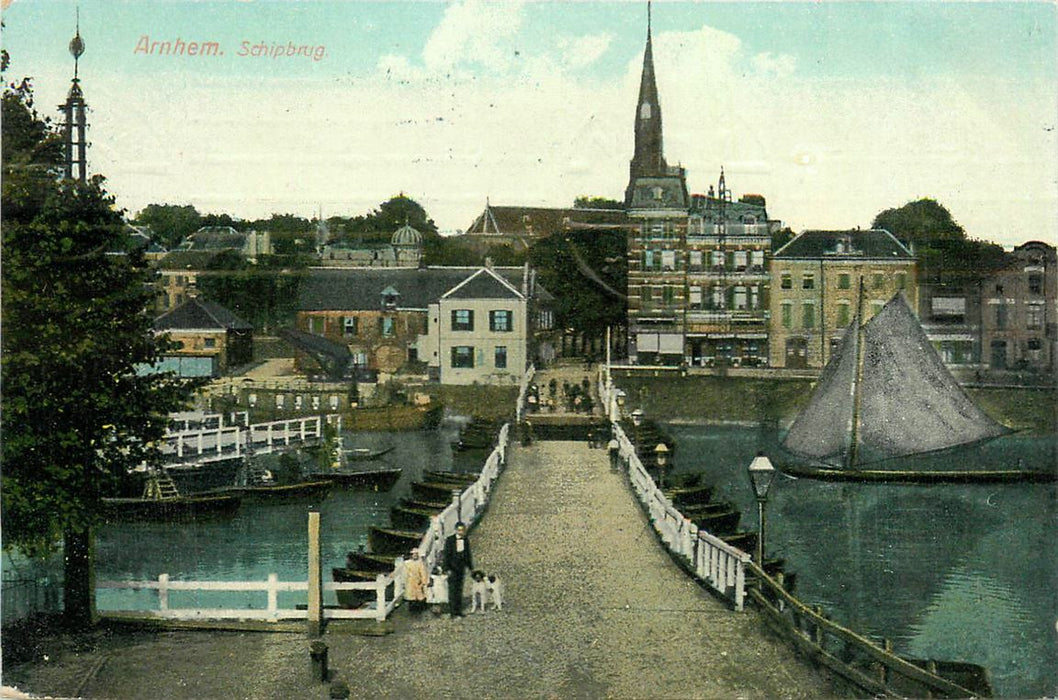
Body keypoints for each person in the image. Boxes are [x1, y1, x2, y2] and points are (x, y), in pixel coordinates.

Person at [443, 522, 473, 617]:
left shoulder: (465, 539)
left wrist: (470, 567)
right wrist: (446, 568)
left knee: (459, 589)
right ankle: (453, 612)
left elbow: (468, 554)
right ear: (456, 530)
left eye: (462, 530)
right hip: (452, 568)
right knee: (452, 590)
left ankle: (458, 611)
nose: (461, 532)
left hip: (461, 567)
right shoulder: (450, 540)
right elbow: (446, 555)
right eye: (459, 530)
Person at [403, 548, 429, 614]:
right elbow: (405, 572)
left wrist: (423, 581)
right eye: (413, 554)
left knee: (420, 594)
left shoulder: (420, 563)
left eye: (416, 554)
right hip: (410, 581)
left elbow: (423, 572)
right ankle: (412, 609)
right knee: (410, 595)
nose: (415, 555)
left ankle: (420, 609)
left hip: (418, 580)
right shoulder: (407, 563)